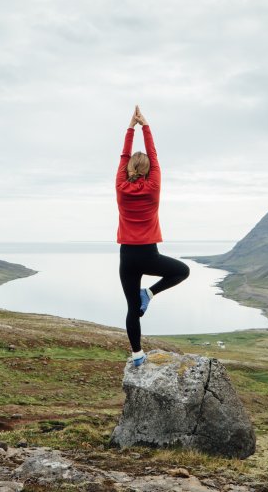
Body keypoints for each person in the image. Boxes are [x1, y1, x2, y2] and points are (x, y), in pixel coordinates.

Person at [116, 105, 190, 367]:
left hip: (127, 256)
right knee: (182, 271)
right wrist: (144, 125)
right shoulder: (154, 185)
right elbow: (153, 155)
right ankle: (150, 292)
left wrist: (130, 127)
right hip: (149, 255)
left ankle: (137, 356)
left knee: (131, 309)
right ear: (148, 170)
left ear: (127, 170)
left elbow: (124, 155)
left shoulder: (121, 186)